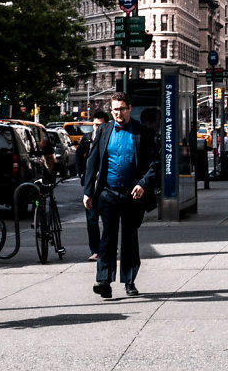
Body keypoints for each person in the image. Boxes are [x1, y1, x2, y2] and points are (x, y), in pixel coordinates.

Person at [83, 92, 159, 300]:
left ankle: (129, 280)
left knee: (129, 237)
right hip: (108, 193)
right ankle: (104, 281)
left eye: (122, 109)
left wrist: (143, 184)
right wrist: (88, 192)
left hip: (132, 195)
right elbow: (92, 161)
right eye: (115, 109)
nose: (118, 113)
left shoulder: (142, 132)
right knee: (107, 237)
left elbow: (154, 163)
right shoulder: (104, 131)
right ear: (111, 110)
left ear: (129, 109)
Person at [76, 111, 110, 259]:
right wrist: (82, 175)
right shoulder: (88, 138)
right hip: (91, 185)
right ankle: (95, 250)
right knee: (91, 219)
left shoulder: (110, 138)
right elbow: (78, 156)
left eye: (100, 125)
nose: (97, 127)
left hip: (106, 185)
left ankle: (108, 247)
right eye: (95, 125)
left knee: (109, 219)